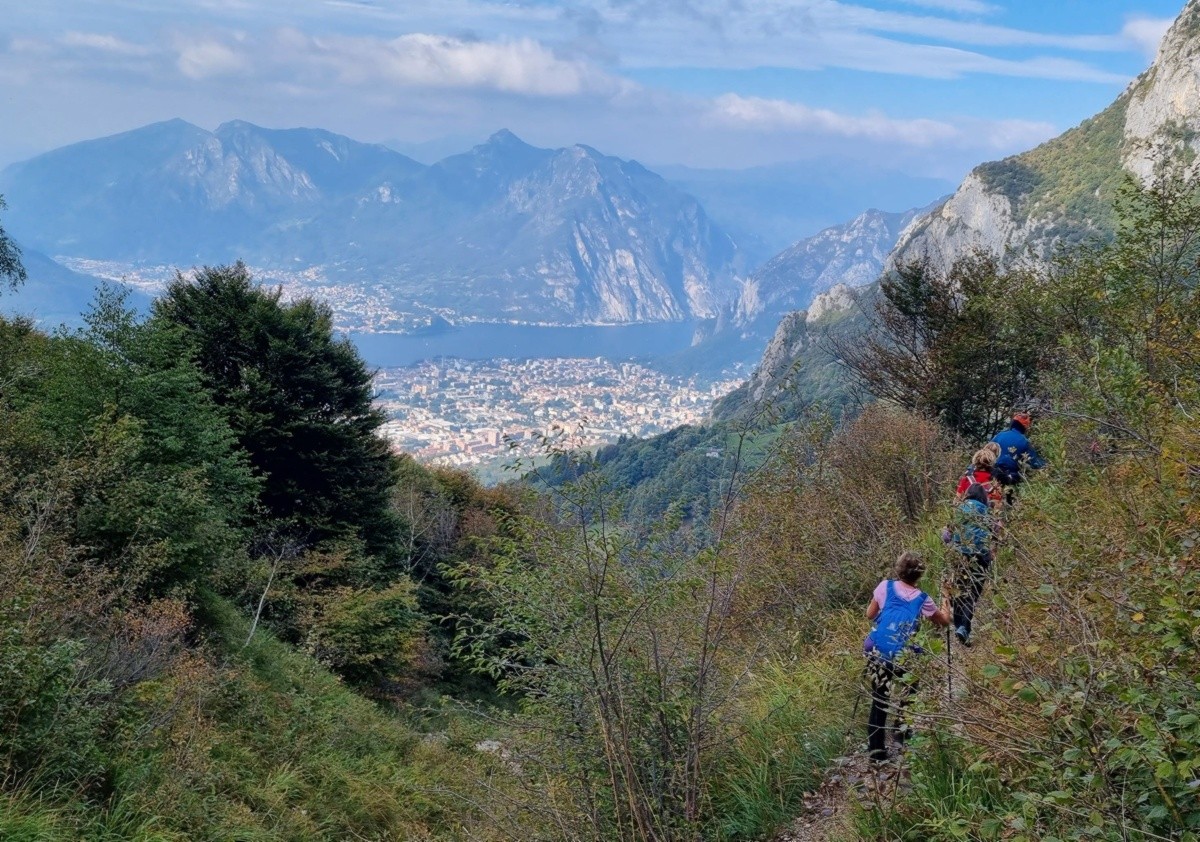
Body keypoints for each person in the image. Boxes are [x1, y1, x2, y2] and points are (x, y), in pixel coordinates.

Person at [863, 550, 952, 762]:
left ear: (898, 569)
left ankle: (876, 752)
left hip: (878, 651)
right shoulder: (923, 599)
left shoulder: (884, 586)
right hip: (904, 655)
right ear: (920, 575)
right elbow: (944, 621)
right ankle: (901, 731)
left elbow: (870, 614)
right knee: (910, 687)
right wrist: (947, 598)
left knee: (879, 698)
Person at [947, 483, 996, 647]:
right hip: (981, 556)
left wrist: (950, 541)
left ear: (968, 494)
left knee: (959, 590)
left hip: (960, 555)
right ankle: (964, 628)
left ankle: (958, 625)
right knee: (973, 592)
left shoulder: (959, 509)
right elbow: (995, 531)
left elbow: (947, 534)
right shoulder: (987, 511)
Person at [991, 412, 1046, 503]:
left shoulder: (999, 435)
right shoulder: (1024, 441)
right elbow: (1035, 463)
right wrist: (1048, 465)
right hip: (1010, 479)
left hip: (992, 475)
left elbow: (986, 452)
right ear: (1025, 427)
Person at [955, 446, 1003, 510]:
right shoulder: (994, 483)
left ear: (975, 461)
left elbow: (956, 501)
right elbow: (998, 507)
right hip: (984, 514)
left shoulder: (966, 479)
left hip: (966, 513)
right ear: (991, 463)